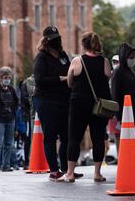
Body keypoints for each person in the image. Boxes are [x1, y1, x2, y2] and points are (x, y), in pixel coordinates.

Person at [33, 26, 80, 182]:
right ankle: (54, 170)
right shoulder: (41, 57)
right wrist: (61, 78)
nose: (57, 41)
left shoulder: (63, 55)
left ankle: (67, 169)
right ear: (46, 41)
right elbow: (40, 80)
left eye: (58, 38)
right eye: (53, 39)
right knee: (50, 136)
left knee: (66, 135)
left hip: (64, 99)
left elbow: (70, 72)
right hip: (46, 100)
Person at [63, 32, 111, 182]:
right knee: (98, 138)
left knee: (74, 138)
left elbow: (70, 82)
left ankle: (70, 173)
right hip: (99, 106)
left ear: (83, 45)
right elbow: (108, 77)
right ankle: (97, 173)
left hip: (79, 104)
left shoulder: (77, 61)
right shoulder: (104, 61)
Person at [110, 43, 135, 172]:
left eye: (134, 56)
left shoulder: (131, 71)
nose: (133, 58)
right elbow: (115, 94)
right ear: (124, 56)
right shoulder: (118, 72)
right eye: (131, 56)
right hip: (125, 111)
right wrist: (118, 116)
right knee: (129, 139)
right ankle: (133, 164)